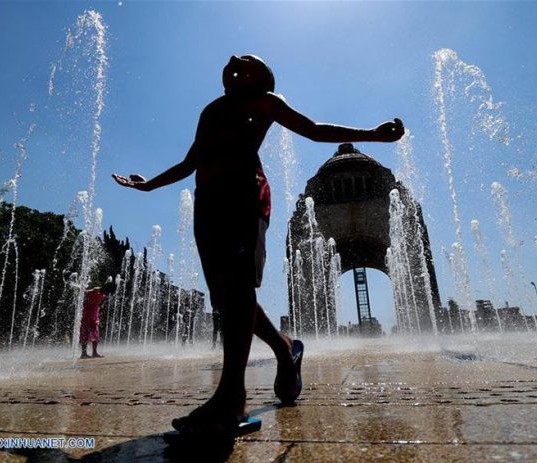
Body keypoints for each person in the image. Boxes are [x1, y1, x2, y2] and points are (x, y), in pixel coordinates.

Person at [112, 55, 404, 435]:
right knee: (226, 295)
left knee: (237, 286)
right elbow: (190, 162)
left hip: (245, 197)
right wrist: (149, 184)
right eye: (233, 61)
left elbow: (313, 130)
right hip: (208, 202)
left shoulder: (265, 102)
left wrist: (373, 135)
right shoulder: (211, 110)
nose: (234, 60)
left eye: (245, 62)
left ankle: (230, 397)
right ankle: (285, 348)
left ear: (261, 78)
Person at [79, 280, 117, 359]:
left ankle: (94, 352)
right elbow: (86, 292)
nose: (107, 294)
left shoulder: (104, 294)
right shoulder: (97, 289)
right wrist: (82, 290)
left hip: (94, 312)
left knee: (95, 333)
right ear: (105, 288)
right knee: (85, 332)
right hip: (87, 311)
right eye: (108, 292)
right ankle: (83, 353)